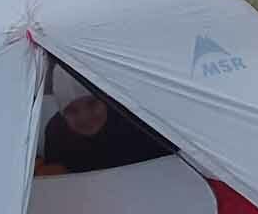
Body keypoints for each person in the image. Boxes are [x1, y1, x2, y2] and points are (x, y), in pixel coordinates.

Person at [41, 67, 169, 174]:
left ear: (105, 99)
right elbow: (56, 178)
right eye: (72, 111)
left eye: (92, 103)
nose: (85, 117)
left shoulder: (133, 122)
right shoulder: (56, 132)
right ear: (63, 114)